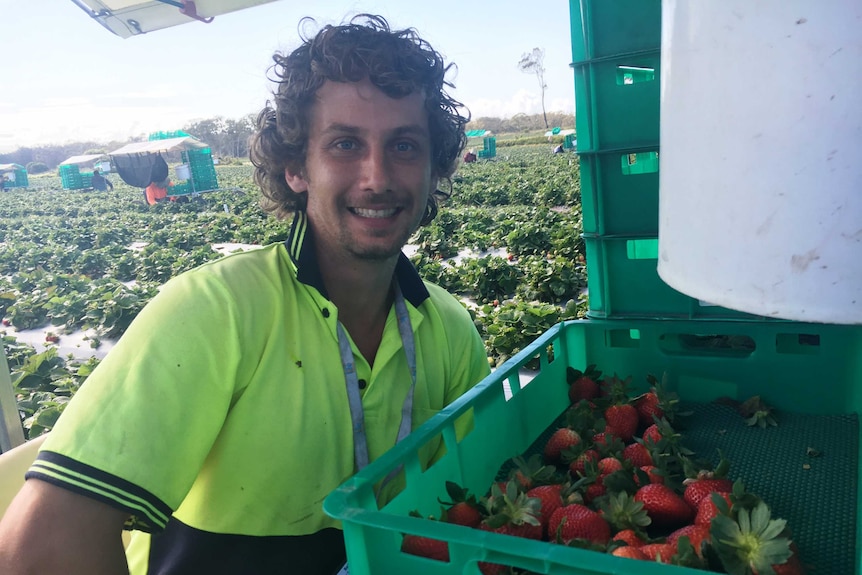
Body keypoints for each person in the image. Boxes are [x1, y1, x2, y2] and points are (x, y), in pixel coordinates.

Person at [0, 14, 491, 575]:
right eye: (345, 143)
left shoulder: (449, 327)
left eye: (404, 146)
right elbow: (42, 545)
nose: (376, 176)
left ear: (433, 169)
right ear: (296, 169)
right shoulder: (217, 313)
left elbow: (473, 504)